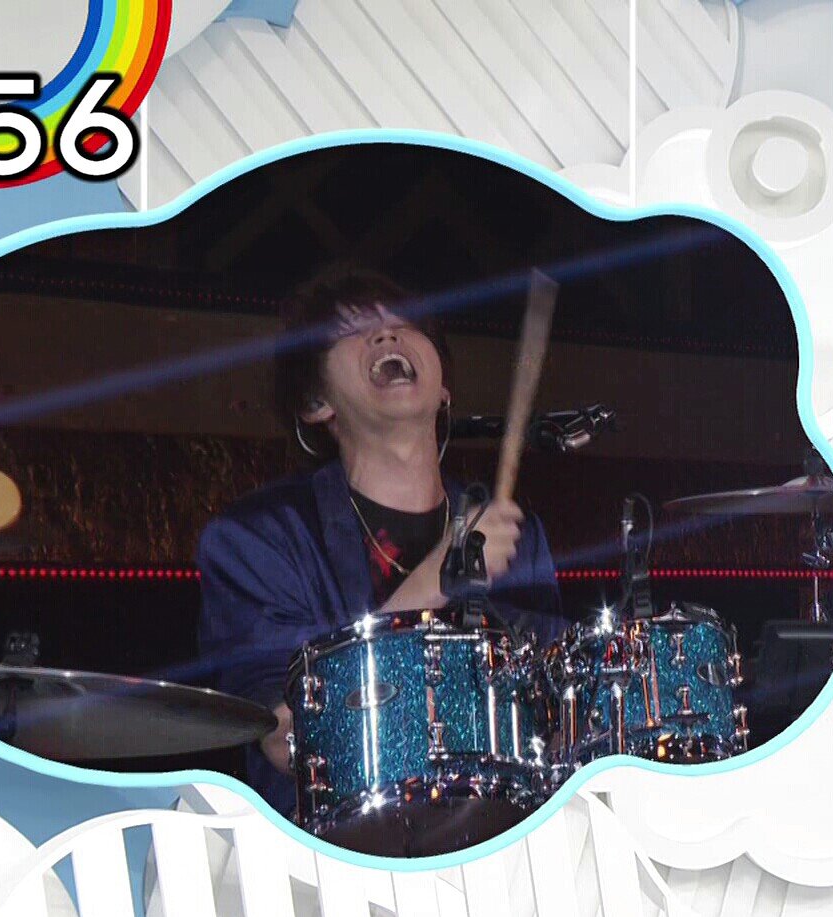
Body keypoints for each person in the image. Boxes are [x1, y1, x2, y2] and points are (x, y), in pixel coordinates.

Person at [196, 264, 563, 816]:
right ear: (316, 403)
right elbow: (287, 740)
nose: (387, 334)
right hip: (333, 851)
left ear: (444, 389)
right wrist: (438, 578)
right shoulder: (259, 540)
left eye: (404, 324)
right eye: (352, 330)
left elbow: (554, 720)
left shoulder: (515, 535)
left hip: (498, 837)